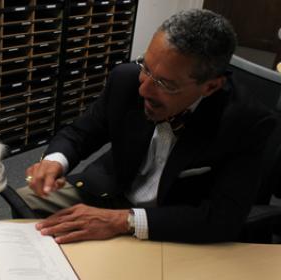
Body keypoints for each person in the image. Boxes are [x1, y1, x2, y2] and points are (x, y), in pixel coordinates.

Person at [17, 9, 276, 244]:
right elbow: (82, 132)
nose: (143, 88)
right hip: (108, 190)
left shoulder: (247, 122)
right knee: (20, 203)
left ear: (210, 87)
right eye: (146, 67)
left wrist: (124, 221)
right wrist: (55, 161)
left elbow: (221, 220)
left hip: (169, 224)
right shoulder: (127, 79)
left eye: (164, 84)